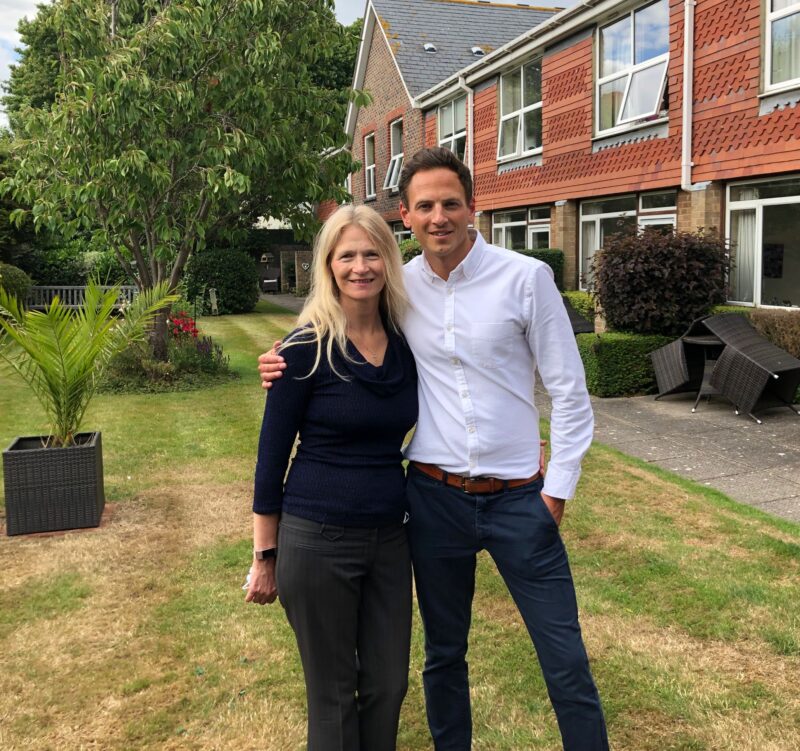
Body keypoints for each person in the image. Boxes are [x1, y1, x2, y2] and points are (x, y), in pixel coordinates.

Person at [259, 147, 608, 751]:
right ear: (406, 214)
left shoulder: (526, 279)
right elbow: (342, 328)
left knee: (564, 655)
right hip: (433, 498)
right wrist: (281, 358)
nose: (438, 216)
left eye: (450, 203)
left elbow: (570, 394)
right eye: (425, 206)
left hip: (520, 499)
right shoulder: (400, 289)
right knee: (444, 654)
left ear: (474, 206)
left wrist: (556, 492)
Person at [245, 204, 418, 751]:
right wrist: (264, 557)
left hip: (390, 539)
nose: (360, 267)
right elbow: (270, 461)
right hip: (317, 540)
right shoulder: (302, 351)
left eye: (372, 254)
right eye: (347, 256)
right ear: (328, 265)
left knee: (388, 685)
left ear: (388, 261)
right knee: (334, 697)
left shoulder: (407, 347)